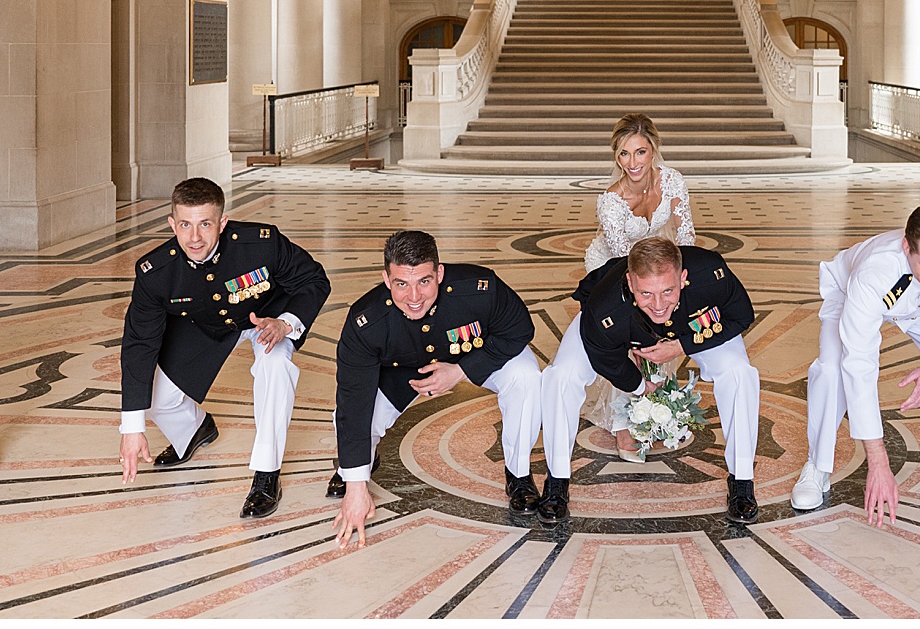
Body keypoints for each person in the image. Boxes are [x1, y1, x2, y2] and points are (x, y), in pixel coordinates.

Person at [118, 177, 329, 519]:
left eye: (205, 224)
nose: (195, 237)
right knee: (155, 399)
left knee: (275, 367)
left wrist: (286, 322)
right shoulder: (156, 271)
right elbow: (139, 343)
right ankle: (196, 428)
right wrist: (132, 428)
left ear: (223, 223)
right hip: (204, 327)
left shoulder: (262, 243)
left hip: (267, 320)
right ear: (172, 223)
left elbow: (314, 279)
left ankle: (266, 474)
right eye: (185, 225)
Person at [329, 230, 544, 549]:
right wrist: (356, 486)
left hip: (469, 356)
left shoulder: (478, 288)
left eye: (424, 281)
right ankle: (359, 465)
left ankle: (519, 474)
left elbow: (519, 330)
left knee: (526, 374)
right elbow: (353, 400)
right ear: (386, 279)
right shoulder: (366, 321)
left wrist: (460, 371)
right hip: (403, 372)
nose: (414, 296)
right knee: (348, 418)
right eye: (401, 283)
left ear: (440, 273)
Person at [792, 202, 920, 520]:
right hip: (850, 293)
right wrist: (877, 462)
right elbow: (859, 364)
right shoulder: (875, 271)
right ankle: (816, 466)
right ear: (907, 247)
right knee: (832, 368)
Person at [540, 237, 761, 525]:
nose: (658, 305)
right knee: (561, 378)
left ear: (683, 278)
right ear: (630, 283)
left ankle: (742, 482)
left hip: (687, 330)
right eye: (646, 293)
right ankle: (556, 482)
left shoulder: (711, 275)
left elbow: (741, 315)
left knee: (739, 373)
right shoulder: (604, 306)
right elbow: (603, 355)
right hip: (619, 325)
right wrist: (642, 386)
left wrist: (682, 345)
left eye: (668, 290)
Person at [580, 114, 698, 456]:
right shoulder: (611, 202)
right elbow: (623, 265)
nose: (632, 163)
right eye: (624, 154)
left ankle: (657, 403)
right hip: (612, 268)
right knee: (627, 333)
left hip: (658, 262)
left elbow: (686, 234)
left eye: (641, 152)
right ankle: (623, 423)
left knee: (665, 320)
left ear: (654, 150)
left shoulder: (672, 181)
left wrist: (677, 280)